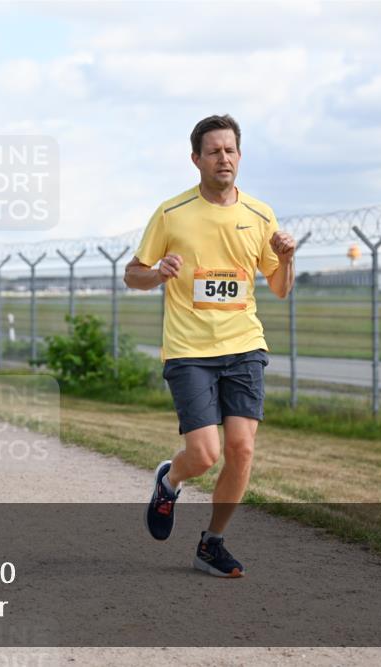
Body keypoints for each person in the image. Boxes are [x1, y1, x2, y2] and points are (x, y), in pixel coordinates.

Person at [124, 114, 296, 578]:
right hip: (189, 351)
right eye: (214, 151)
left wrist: (286, 257)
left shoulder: (260, 215)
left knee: (241, 449)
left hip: (244, 346)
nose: (224, 158)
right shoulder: (171, 213)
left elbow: (278, 287)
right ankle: (171, 479)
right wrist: (157, 273)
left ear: (240, 156)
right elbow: (131, 273)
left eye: (231, 150)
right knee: (204, 455)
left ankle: (212, 543)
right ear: (196, 159)